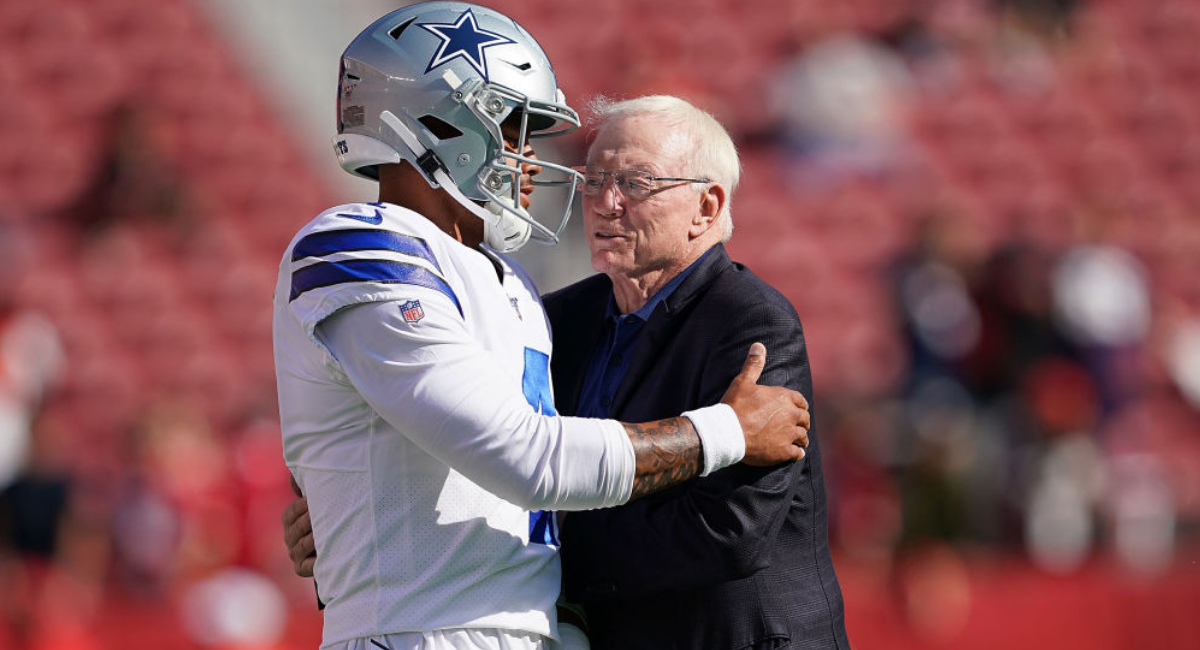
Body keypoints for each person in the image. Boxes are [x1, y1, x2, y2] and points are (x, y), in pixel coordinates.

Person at [273, 4, 810, 650]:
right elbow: (524, 455)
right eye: (512, 128)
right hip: (422, 632)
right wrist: (727, 430)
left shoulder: (514, 285)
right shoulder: (357, 248)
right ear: (438, 120)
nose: (531, 157)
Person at [543, 95, 850, 650]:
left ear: (706, 208)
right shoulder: (560, 319)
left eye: (636, 182)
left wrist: (552, 552)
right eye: (593, 179)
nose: (605, 202)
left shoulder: (752, 321)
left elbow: (728, 531)